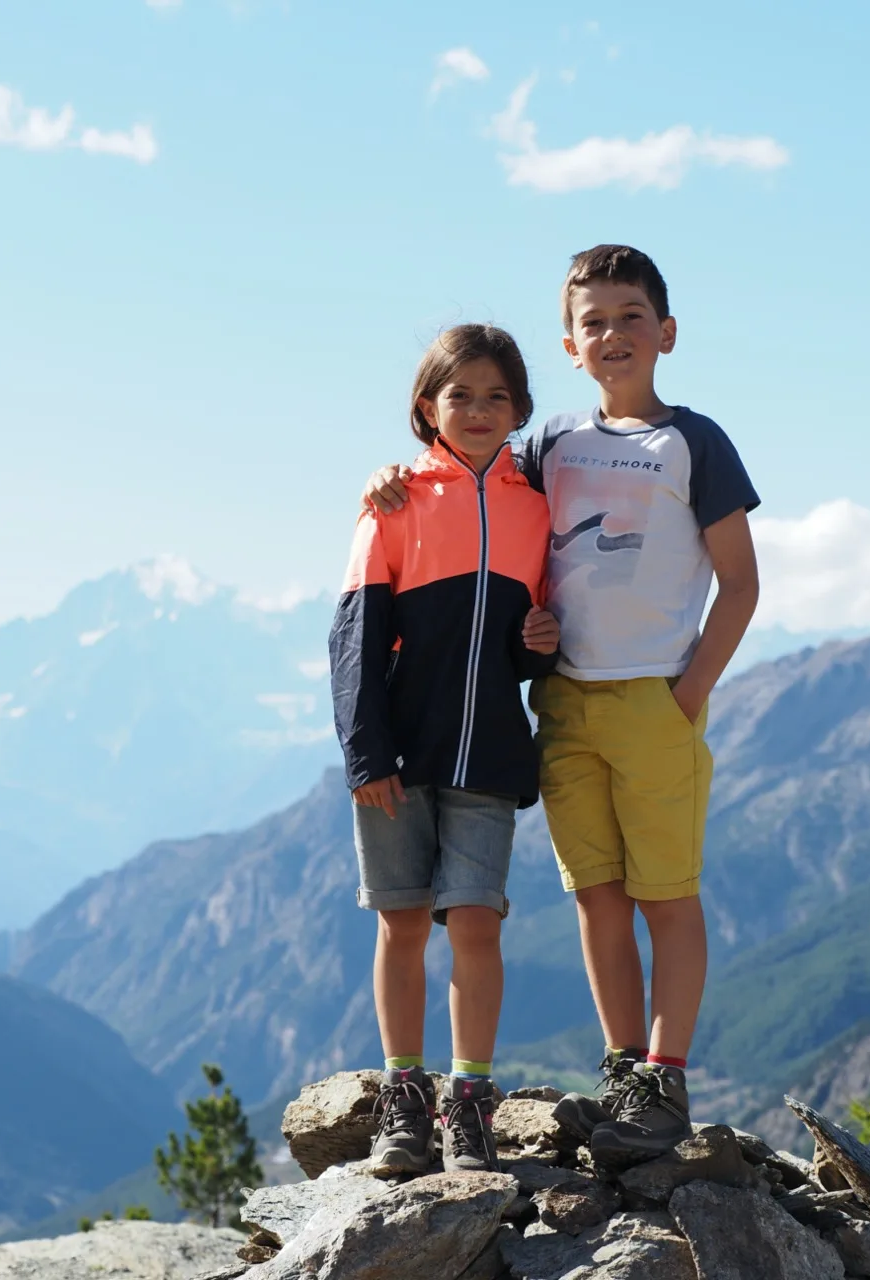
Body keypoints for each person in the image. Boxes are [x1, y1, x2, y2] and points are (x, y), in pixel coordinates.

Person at [360, 246, 761, 1170]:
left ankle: (664, 1075)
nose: (613, 334)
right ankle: (623, 1069)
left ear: (666, 332)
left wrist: (689, 690)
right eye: (594, 322)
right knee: (599, 897)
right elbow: (468, 479)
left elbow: (739, 583)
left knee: (668, 894)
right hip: (564, 704)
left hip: (655, 699)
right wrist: (390, 479)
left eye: (631, 316)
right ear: (570, 347)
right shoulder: (549, 446)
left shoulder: (694, 442)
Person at [329, 323, 559, 1177]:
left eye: (498, 395)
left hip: (492, 752)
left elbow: (524, 649)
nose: (480, 409)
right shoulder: (393, 503)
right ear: (428, 406)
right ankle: (404, 1101)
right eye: (461, 394)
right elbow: (355, 631)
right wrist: (366, 754)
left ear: (519, 409)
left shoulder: (535, 508)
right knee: (398, 923)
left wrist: (537, 641)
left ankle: (470, 1103)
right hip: (400, 753)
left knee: (475, 923)